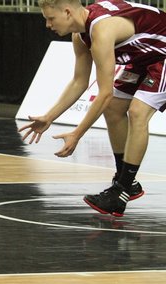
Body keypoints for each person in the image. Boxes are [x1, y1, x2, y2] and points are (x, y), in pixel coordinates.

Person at [18, 0, 166, 217]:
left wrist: (77, 134)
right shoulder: (80, 36)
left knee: (137, 112)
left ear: (67, 12)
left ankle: (121, 190)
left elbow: (103, 93)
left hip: (162, 54)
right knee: (114, 107)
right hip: (145, 57)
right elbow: (79, 82)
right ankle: (126, 182)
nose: (48, 25)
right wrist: (49, 117)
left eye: (50, 18)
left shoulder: (102, 31)